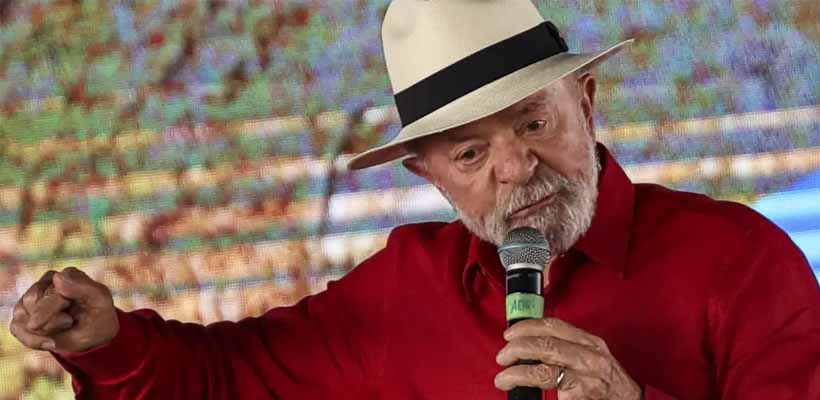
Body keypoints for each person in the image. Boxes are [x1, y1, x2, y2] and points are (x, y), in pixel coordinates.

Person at [9, 0, 820, 399]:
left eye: (534, 122)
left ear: (588, 101)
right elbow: (225, 381)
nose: (516, 168)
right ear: (428, 175)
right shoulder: (404, 289)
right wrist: (107, 343)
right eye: (470, 152)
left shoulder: (741, 260)